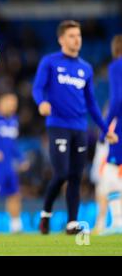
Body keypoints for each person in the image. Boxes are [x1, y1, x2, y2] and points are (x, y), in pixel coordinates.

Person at [32, 20, 118, 235]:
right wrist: (41, 102)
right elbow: (37, 87)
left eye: (78, 35)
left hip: (80, 127)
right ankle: (46, 213)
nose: (76, 39)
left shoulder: (85, 68)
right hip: (58, 125)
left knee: (76, 176)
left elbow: (92, 104)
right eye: (71, 36)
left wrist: (106, 129)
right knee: (61, 173)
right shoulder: (50, 62)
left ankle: (72, 222)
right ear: (61, 39)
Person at [0, 93, 29, 233]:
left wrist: (21, 158)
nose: (13, 106)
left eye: (14, 103)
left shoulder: (14, 121)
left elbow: (13, 145)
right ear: (1, 103)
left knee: (14, 194)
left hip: (9, 166)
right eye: (10, 103)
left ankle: (16, 226)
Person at [98, 34, 122, 235]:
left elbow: (117, 100)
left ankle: (117, 222)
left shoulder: (116, 66)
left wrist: (105, 129)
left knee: (110, 172)